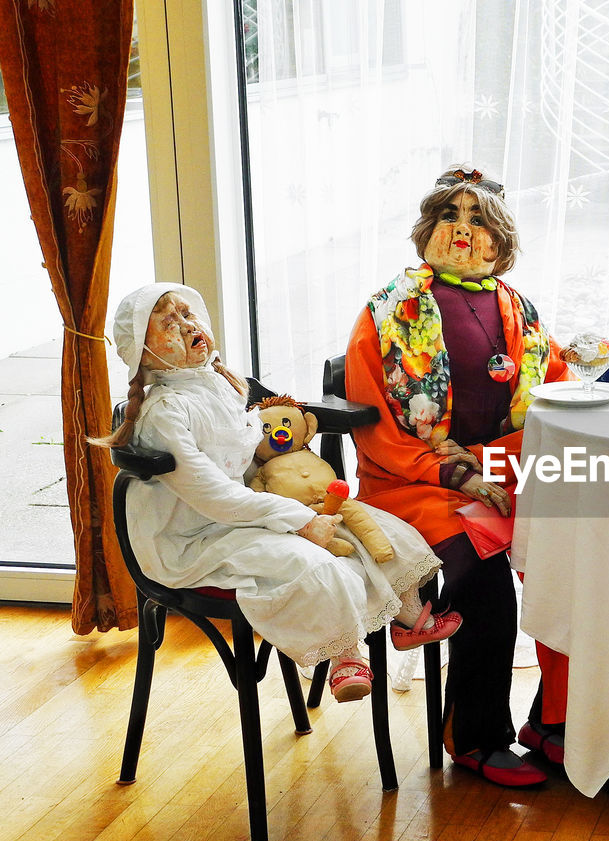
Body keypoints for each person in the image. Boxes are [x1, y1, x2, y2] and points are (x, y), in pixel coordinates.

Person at [96, 283, 452, 702]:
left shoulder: (219, 384)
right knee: (315, 564)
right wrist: (300, 519)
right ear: (142, 349)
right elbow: (213, 495)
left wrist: (289, 480)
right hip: (193, 538)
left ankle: (405, 616)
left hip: (241, 515)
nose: (185, 324)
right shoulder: (165, 412)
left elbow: (247, 442)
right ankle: (345, 654)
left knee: (377, 528)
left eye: (186, 314)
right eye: (168, 322)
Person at [345, 165, 570, 788]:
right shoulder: (389, 311)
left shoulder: (518, 306)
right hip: (413, 481)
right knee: (481, 574)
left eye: (478, 218)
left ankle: (553, 719)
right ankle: (475, 735)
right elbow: (378, 430)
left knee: (576, 551)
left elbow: (552, 394)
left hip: (504, 464)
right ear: (426, 232)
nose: (462, 229)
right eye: (449, 215)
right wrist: (456, 473)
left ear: (502, 241)